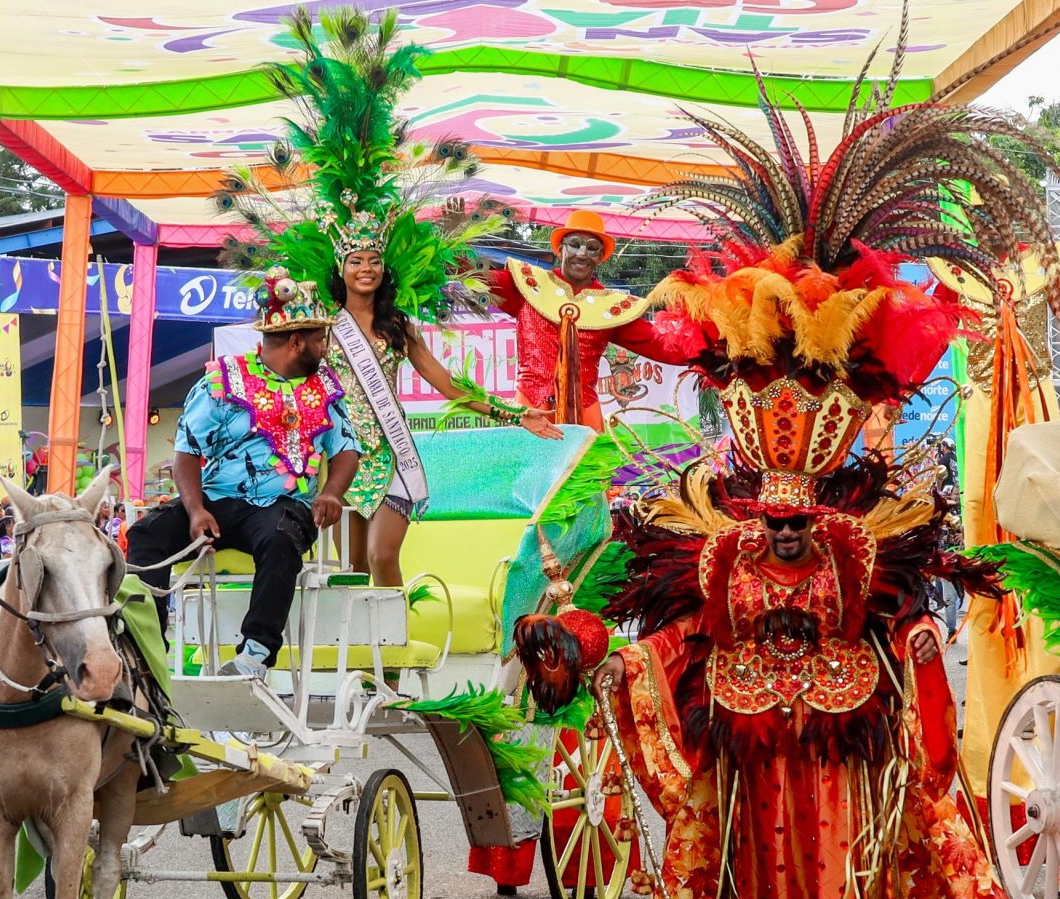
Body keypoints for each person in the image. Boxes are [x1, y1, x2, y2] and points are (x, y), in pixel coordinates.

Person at [465, 75, 1060, 899]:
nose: (785, 526)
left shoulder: (856, 528)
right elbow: (659, 633)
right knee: (675, 680)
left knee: (887, 686)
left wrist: (905, 634)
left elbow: (893, 580)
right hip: (747, 681)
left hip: (847, 657)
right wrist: (584, 643)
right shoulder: (719, 531)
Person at [215, 19, 556, 589]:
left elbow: (448, 386)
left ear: (385, 269)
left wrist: (514, 415)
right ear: (341, 268)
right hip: (340, 454)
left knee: (380, 558)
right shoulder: (319, 326)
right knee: (348, 571)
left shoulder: (400, 327)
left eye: (374, 262)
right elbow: (285, 374)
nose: (366, 269)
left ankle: (392, 669)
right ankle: (368, 668)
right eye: (356, 262)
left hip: (394, 454)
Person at [125, 269, 359, 679]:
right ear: (295, 342)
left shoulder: (324, 387)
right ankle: (145, 649)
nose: (324, 348)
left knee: (281, 538)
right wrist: (195, 510)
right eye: (320, 340)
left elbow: (345, 450)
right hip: (214, 502)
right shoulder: (223, 379)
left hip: (280, 507)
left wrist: (333, 493)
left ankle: (255, 655)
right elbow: (186, 452)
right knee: (147, 533)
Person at [493, 209, 698, 432]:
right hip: (529, 410)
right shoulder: (528, 285)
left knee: (585, 467)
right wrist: (454, 242)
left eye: (592, 248)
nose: (582, 254)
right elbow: (470, 275)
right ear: (560, 249)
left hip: (584, 417)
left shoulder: (610, 307)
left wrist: (722, 340)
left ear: (601, 257)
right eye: (575, 244)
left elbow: (666, 347)